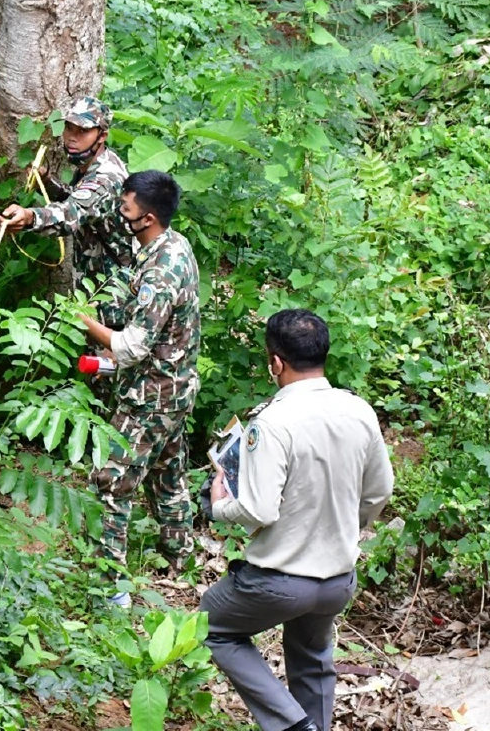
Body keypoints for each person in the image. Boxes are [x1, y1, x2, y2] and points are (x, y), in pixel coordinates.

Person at [204, 309, 395, 731]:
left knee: (211, 625)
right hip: (337, 581)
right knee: (311, 659)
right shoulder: (359, 410)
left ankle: (292, 724)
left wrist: (219, 505)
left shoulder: (272, 422)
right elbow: (380, 491)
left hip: (277, 582)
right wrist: (345, 525)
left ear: (275, 362)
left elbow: (259, 510)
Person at [73, 170, 199, 603]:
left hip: (151, 395)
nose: (118, 213)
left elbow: (133, 345)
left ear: (146, 217)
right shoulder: (172, 246)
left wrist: (82, 321)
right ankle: (180, 559)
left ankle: (111, 591)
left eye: (125, 208)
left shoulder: (162, 269)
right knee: (167, 472)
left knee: (111, 480)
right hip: (175, 388)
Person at [0, 96, 131, 293]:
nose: (72, 137)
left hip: (114, 295)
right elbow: (82, 200)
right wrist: (47, 183)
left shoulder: (106, 177)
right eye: (69, 128)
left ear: (102, 136)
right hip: (97, 286)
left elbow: (73, 212)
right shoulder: (95, 164)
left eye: (83, 131)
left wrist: (30, 217)